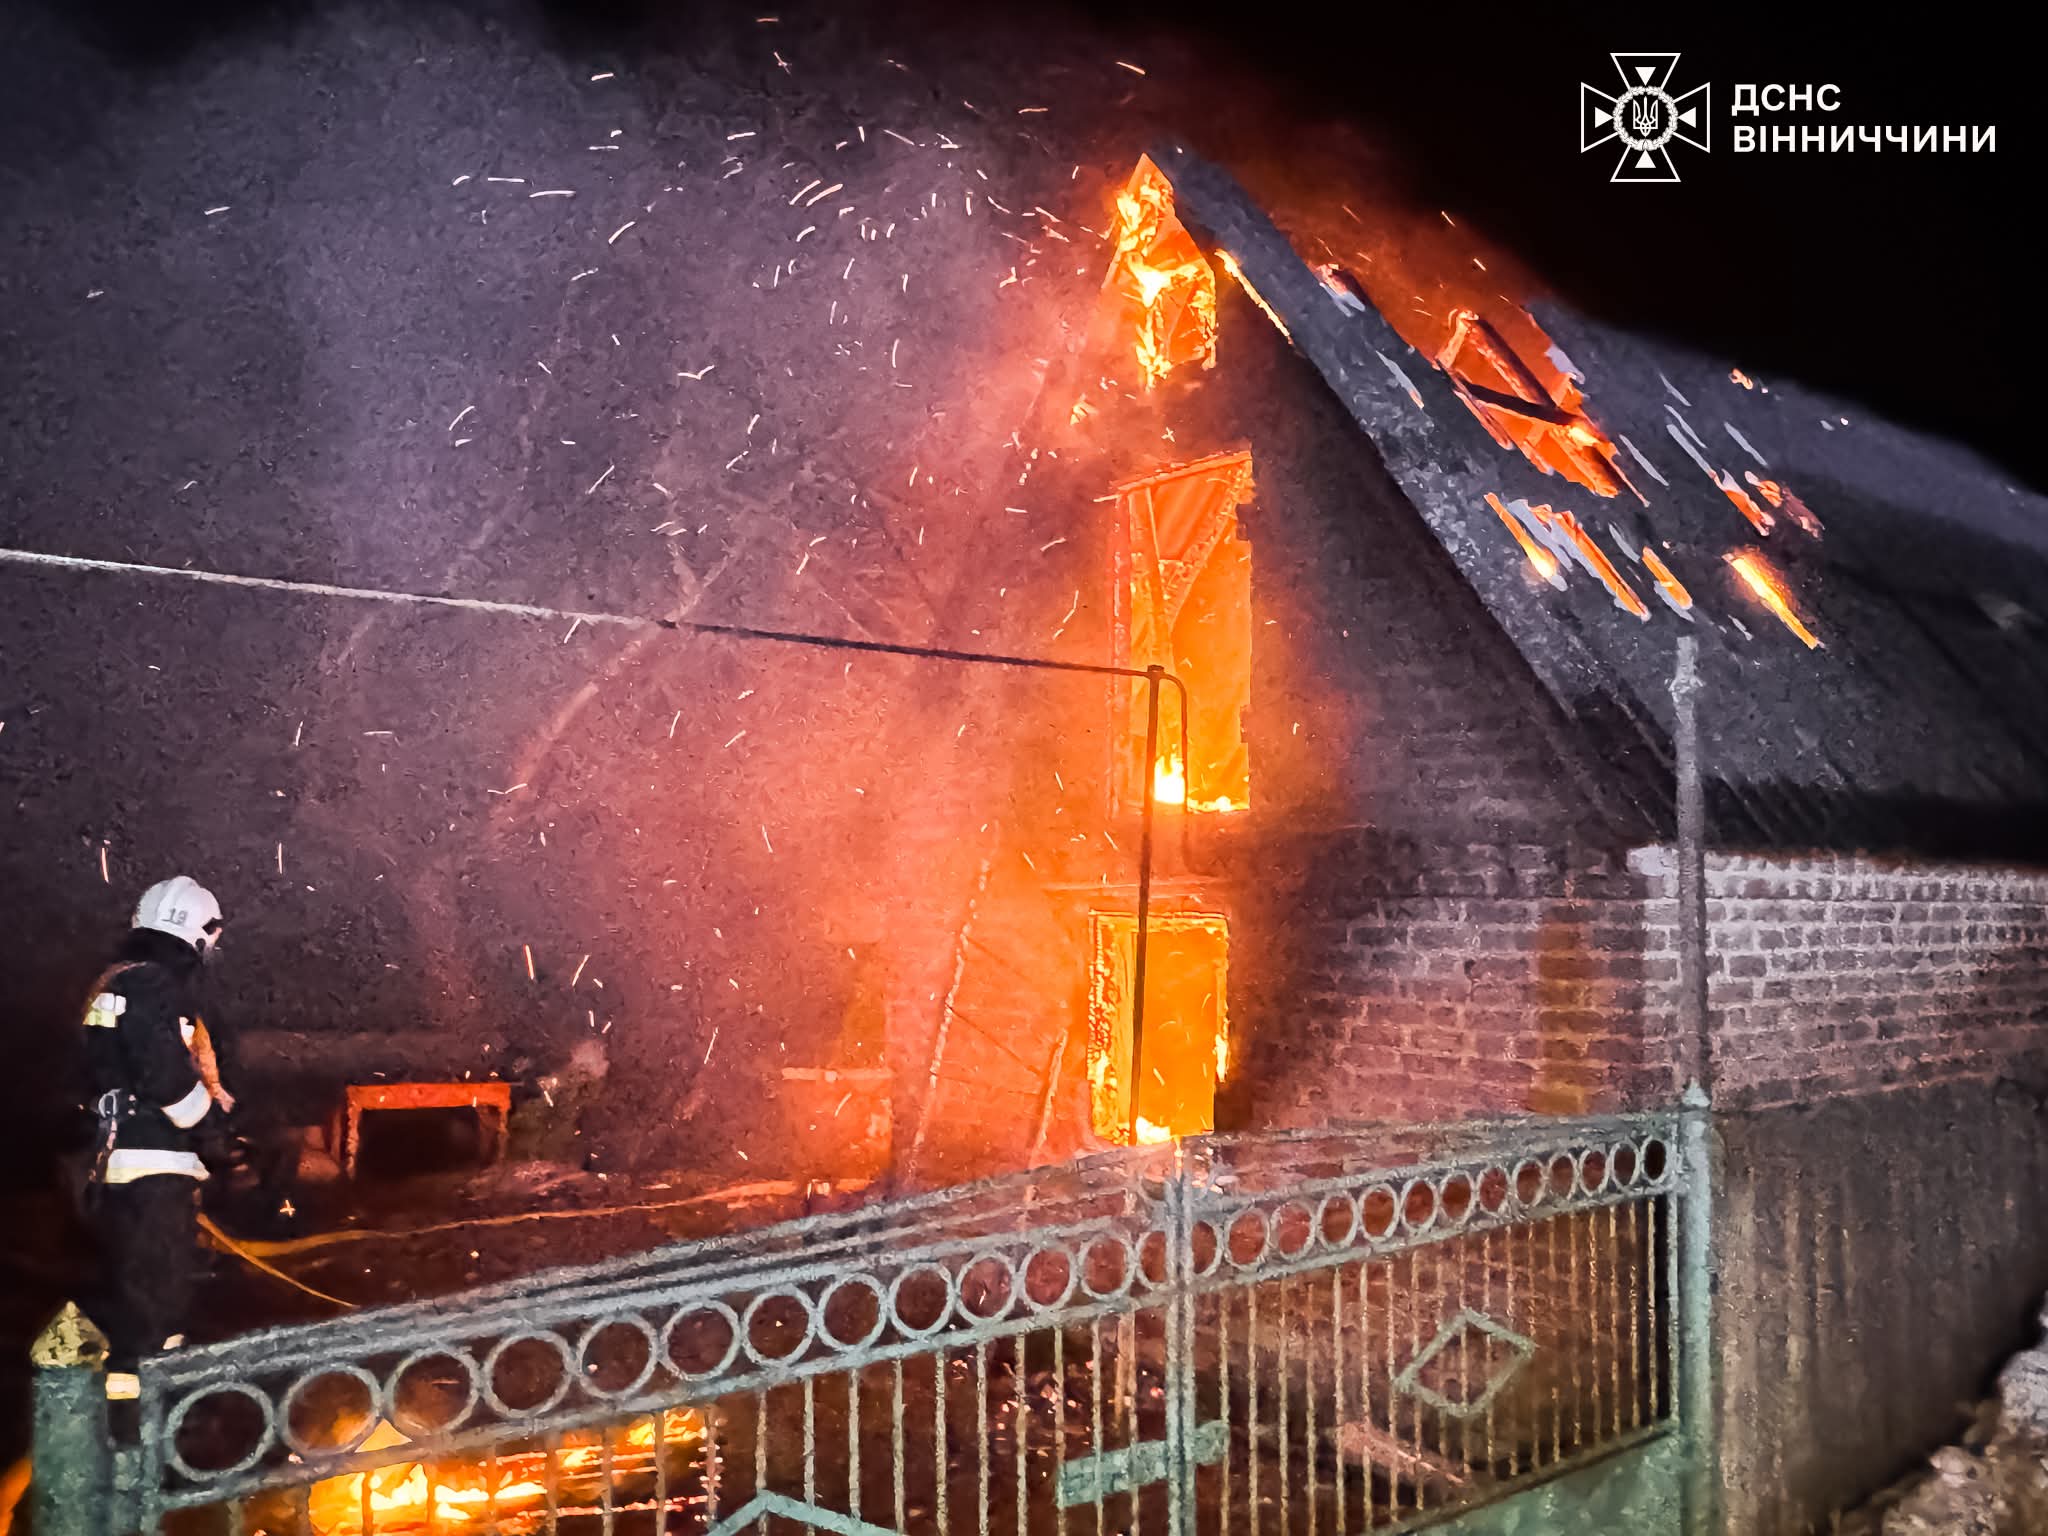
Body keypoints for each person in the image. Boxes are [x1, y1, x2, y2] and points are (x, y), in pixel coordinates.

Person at [79, 876, 232, 1403]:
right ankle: (144, 1421)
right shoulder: (152, 983)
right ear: (198, 934)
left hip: (122, 1163)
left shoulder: (117, 980)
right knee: (157, 1301)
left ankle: (133, 1407)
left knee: (134, 1295)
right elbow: (162, 1075)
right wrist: (211, 1128)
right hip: (152, 1167)